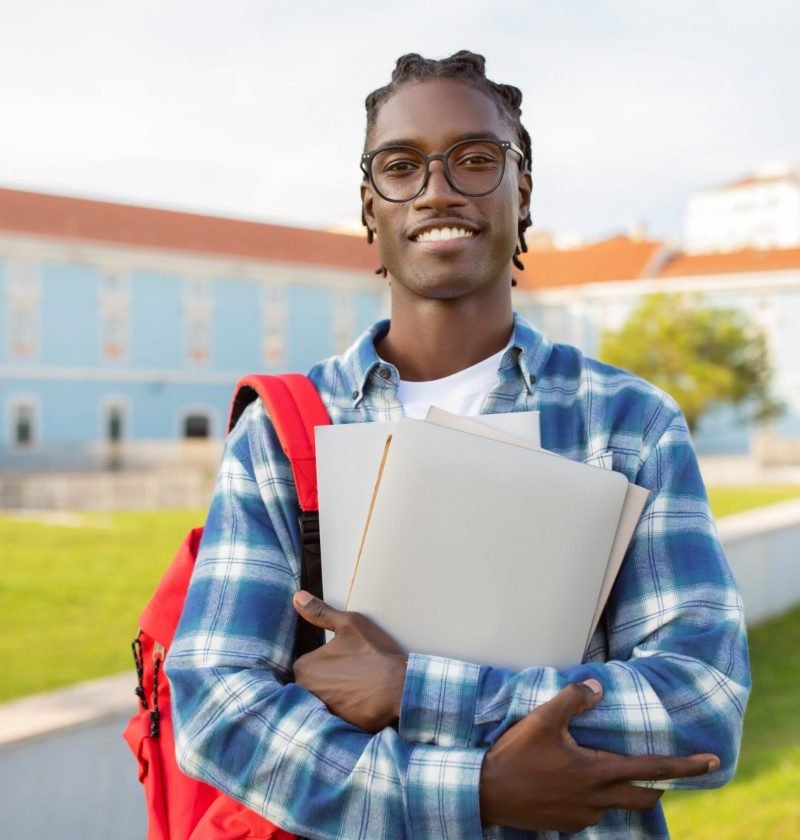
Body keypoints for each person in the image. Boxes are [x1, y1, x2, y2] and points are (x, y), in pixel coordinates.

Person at [166, 51, 750, 838]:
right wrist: (475, 792)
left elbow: (701, 703)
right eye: (401, 166)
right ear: (371, 204)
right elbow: (217, 706)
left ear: (524, 190)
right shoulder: (281, 431)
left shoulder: (627, 422)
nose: (437, 187)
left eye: (476, 160)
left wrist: (414, 688)